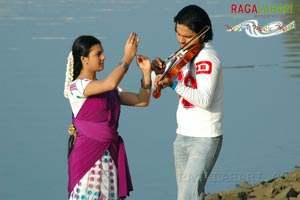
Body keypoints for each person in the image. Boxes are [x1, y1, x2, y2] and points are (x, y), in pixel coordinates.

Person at [63, 33, 152, 200]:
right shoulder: (77, 87)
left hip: (109, 155)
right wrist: (127, 57)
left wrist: (146, 73)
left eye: (102, 52)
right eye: (98, 54)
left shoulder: (109, 90)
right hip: (87, 159)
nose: (103, 57)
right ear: (84, 59)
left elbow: (141, 101)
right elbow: (110, 82)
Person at [152, 5, 224, 200]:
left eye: (187, 36)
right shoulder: (183, 55)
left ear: (203, 32)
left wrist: (174, 85)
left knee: (188, 196)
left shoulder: (207, 57)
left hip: (205, 138)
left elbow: (205, 99)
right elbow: (155, 84)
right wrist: (153, 71)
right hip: (182, 136)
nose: (181, 40)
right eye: (178, 34)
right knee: (186, 196)